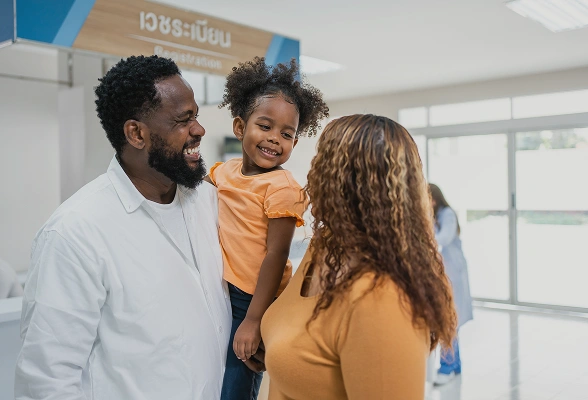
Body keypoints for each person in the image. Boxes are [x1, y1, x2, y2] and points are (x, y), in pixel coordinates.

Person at [14, 55, 232, 400]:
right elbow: (47, 381)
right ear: (137, 133)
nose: (200, 130)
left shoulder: (207, 200)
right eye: (182, 119)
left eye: (197, 116)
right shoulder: (76, 232)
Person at [261, 114, 458, 399]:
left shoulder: (382, 299)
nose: (311, 177)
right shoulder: (324, 245)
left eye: (323, 165)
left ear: (349, 186)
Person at [205, 56, 329, 400]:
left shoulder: (283, 188)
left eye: (286, 134)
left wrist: (254, 319)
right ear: (240, 127)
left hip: (255, 297)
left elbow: (277, 255)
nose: (275, 138)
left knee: (235, 386)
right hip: (223, 290)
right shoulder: (224, 172)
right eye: (265, 126)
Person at [429, 183, 473, 385]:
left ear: (434, 199)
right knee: (449, 320)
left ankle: (447, 368)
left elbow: (443, 238)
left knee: (448, 320)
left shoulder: (447, 214)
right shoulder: (435, 215)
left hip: (452, 273)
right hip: (445, 273)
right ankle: (455, 366)